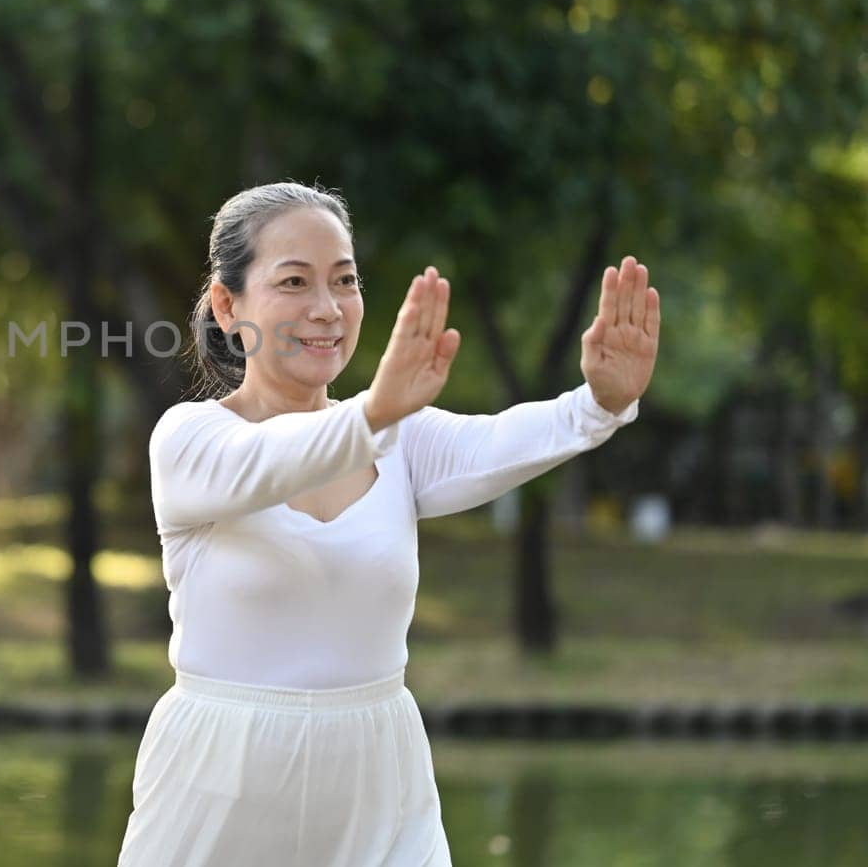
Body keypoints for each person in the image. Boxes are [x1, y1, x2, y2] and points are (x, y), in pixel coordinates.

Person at [117, 182, 659, 866]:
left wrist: (599, 404)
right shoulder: (191, 443)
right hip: (219, 789)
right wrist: (374, 412)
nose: (327, 308)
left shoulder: (397, 440)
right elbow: (276, 459)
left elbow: (499, 440)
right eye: (294, 281)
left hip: (380, 780)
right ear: (228, 305)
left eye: (345, 281)